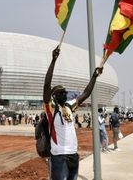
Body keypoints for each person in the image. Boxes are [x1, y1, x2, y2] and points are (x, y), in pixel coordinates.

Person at [43, 46, 103, 180]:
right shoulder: (51, 107)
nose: (65, 94)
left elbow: (86, 93)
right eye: (61, 92)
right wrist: (53, 60)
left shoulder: (70, 106)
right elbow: (47, 85)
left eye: (65, 92)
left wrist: (94, 76)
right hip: (59, 155)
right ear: (54, 96)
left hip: (73, 155)